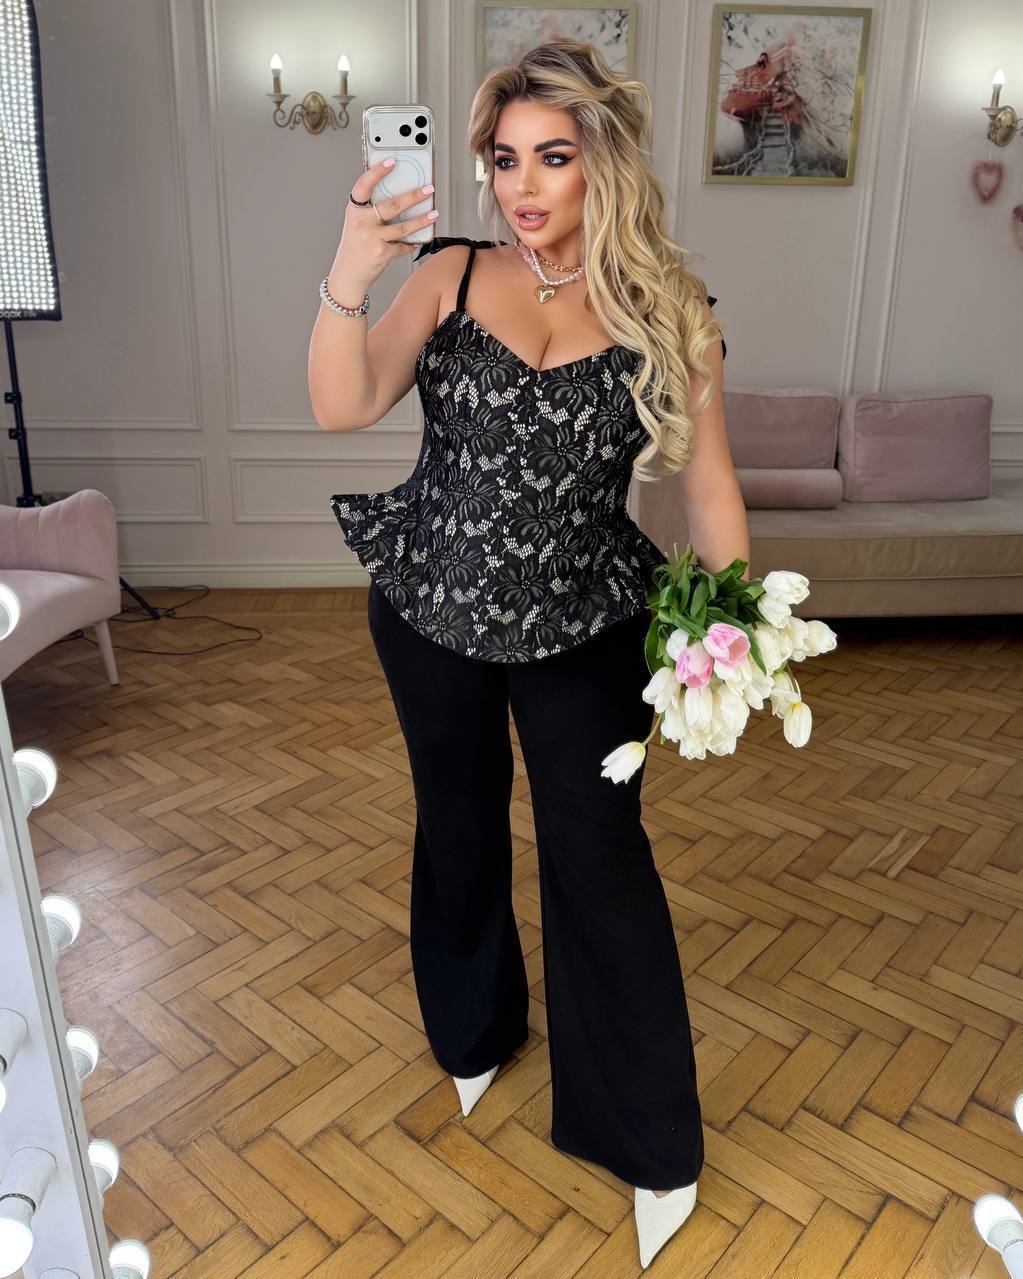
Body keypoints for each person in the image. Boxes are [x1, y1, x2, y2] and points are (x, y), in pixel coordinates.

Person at [308, 38, 749, 1270]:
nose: (524, 186)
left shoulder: (673, 308)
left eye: (552, 156)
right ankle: (475, 1028)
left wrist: (736, 631)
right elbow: (343, 404)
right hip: (430, 608)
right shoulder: (448, 272)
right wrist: (351, 270)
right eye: (505, 160)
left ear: (603, 159)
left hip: (586, 623)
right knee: (456, 824)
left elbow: (709, 486)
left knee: (601, 859)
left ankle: (646, 1134)